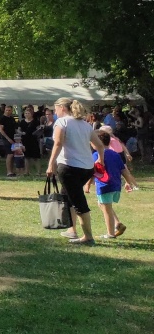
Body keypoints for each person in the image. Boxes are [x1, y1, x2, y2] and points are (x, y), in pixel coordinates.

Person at [47, 98, 107, 245]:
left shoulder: (62, 122)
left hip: (69, 166)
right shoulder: (85, 125)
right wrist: (100, 160)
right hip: (87, 168)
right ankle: (71, 230)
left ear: (62, 107)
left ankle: (88, 237)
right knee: (67, 196)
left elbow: (58, 143)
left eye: (56, 109)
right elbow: (99, 145)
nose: (55, 112)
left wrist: (51, 164)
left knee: (78, 201)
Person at [95, 132, 137, 239]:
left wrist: (86, 183)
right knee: (102, 204)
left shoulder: (96, 155)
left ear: (97, 142)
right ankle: (118, 224)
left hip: (104, 186)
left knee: (106, 209)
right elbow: (124, 171)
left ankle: (110, 234)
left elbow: (91, 171)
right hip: (116, 185)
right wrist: (128, 183)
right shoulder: (116, 155)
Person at [19, 106, 43, 175]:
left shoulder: (35, 121)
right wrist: (21, 133)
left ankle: (39, 172)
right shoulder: (22, 121)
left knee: (36, 157)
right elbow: (18, 130)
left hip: (33, 140)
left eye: (28, 113)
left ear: (32, 114)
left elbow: (39, 130)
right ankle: (26, 172)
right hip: (25, 140)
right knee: (26, 157)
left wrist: (37, 132)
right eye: (26, 113)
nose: (27, 114)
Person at [0, 105, 18, 177]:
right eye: (6, 110)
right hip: (5, 139)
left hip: (13, 138)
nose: (8, 111)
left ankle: (12, 170)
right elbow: (1, 130)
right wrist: (8, 138)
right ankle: (9, 172)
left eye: (9, 110)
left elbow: (15, 129)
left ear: (11, 111)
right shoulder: (2, 118)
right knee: (10, 154)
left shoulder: (12, 118)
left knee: (13, 154)